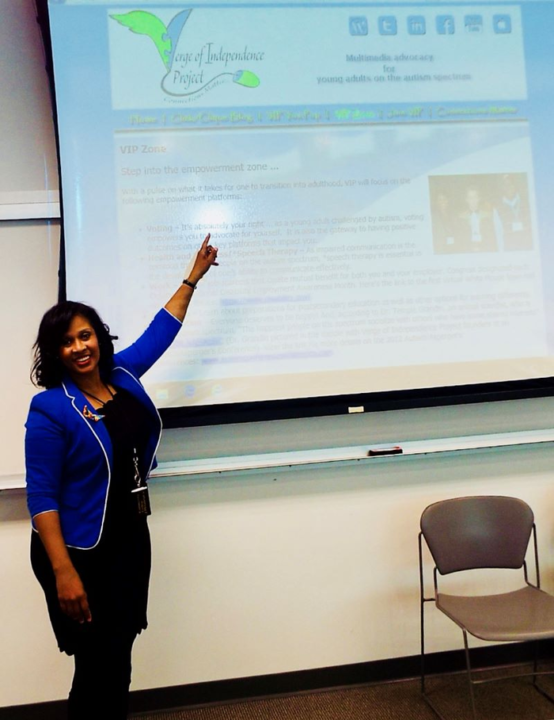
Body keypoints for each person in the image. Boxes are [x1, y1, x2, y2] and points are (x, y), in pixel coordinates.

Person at [25, 235, 218, 720]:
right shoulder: (49, 409)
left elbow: (162, 330)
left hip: (129, 538)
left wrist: (192, 278)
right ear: (55, 353)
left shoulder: (125, 375)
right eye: (67, 341)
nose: (79, 347)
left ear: (99, 337)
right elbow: (42, 498)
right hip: (78, 552)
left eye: (85, 335)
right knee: (96, 663)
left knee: (120, 654)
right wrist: (64, 573)